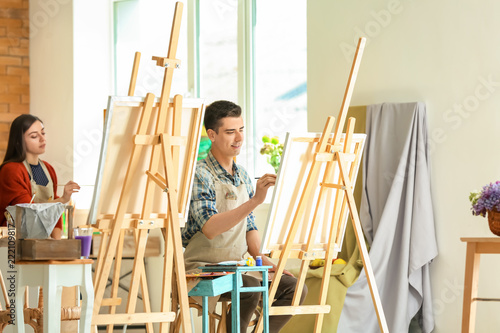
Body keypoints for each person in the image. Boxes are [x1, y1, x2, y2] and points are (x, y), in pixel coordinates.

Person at [182, 100, 307, 333]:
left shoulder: (243, 176)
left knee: (293, 287)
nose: (238, 138)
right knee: (248, 286)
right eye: (230, 132)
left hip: (238, 267)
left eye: (241, 130)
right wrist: (255, 201)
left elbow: (249, 226)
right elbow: (210, 227)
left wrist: (265, 261)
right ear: (212, 134)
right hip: (202, 269)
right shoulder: (200, 174)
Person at [0, 114, 80, 239]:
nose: (42, 139)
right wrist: (62, 200)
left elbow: (54, 213)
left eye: (43, 133)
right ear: (18, 141)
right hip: (13, 244)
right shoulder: (11, 170)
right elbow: (27, 212)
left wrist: (56, 244)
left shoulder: (48, 169)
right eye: (34, 136)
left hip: (41, 242)